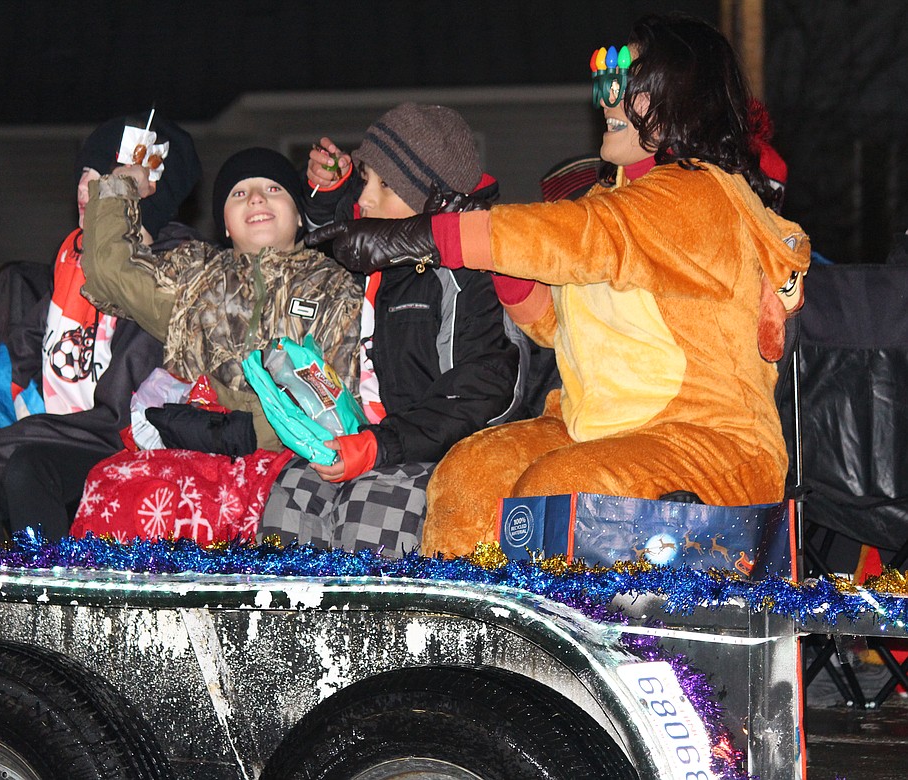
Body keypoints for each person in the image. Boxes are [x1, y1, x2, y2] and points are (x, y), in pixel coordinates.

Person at [311, 14, 811, 557]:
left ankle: (556, 642)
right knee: (470, 477)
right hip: (599, 431)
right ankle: (466, 640)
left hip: (703, 445)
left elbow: (577, 237)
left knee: (555, 495)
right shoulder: (610, 202)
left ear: (682, 98)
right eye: (603, 79)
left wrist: (425, 235)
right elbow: (554, 325)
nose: (606, 98)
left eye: (623, 82)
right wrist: (498, 262)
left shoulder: (697, 196)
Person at [257, 103, 525, 555]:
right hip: (371, 438)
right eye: (365, 181)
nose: (365, 198)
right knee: (295, 492)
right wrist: (333, 189)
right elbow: (337, 235)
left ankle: (371, 628)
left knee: (372, 511)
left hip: (438, 450)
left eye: (384, 185)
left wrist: (380, 447)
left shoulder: (469, 271)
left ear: (431, 196)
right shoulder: (385, 253)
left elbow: (481, 392)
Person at [0, 113, 201, 544]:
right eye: (84, 173)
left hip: (130, 444)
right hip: (66, 435)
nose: (84, 188)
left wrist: (7, 441)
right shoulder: (74, 257)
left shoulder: (167, 273)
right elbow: (31, 335)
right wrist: (19, 397)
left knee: (22, 465)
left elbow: (117, 420)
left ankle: (51, 607)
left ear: (140, 193)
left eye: (105, 177)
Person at [81, 146, 363, 452]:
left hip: (295, 469)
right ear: (225, 224)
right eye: (239, 194)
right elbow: (111, 271)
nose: (256, 198)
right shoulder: (194, 276)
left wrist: (245, 430)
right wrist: (122, 185)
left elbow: (338, 401)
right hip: (191, 464)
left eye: (273, 188)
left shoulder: (332, 285)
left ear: (298, 216)